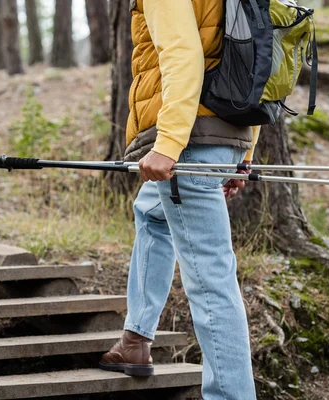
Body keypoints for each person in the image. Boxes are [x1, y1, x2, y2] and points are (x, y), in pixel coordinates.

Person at [99, 1, 260, 399]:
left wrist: (168, 145)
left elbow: (182, 56)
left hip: (189, 143)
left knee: (211, 279)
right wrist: (243, 153)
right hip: (223, 136)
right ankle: (136, 339)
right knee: (151, 214)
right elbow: (256, 60)